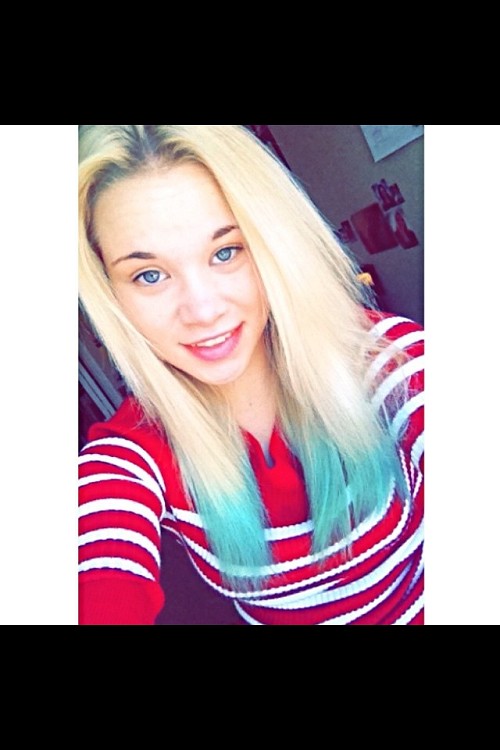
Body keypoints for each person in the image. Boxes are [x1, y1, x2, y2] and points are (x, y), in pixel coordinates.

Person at [78, 125, 424, 625]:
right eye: (149, 275)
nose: (203, 310)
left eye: (226, 252)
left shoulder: (387, 361)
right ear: (111, 293)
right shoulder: (131, 455)